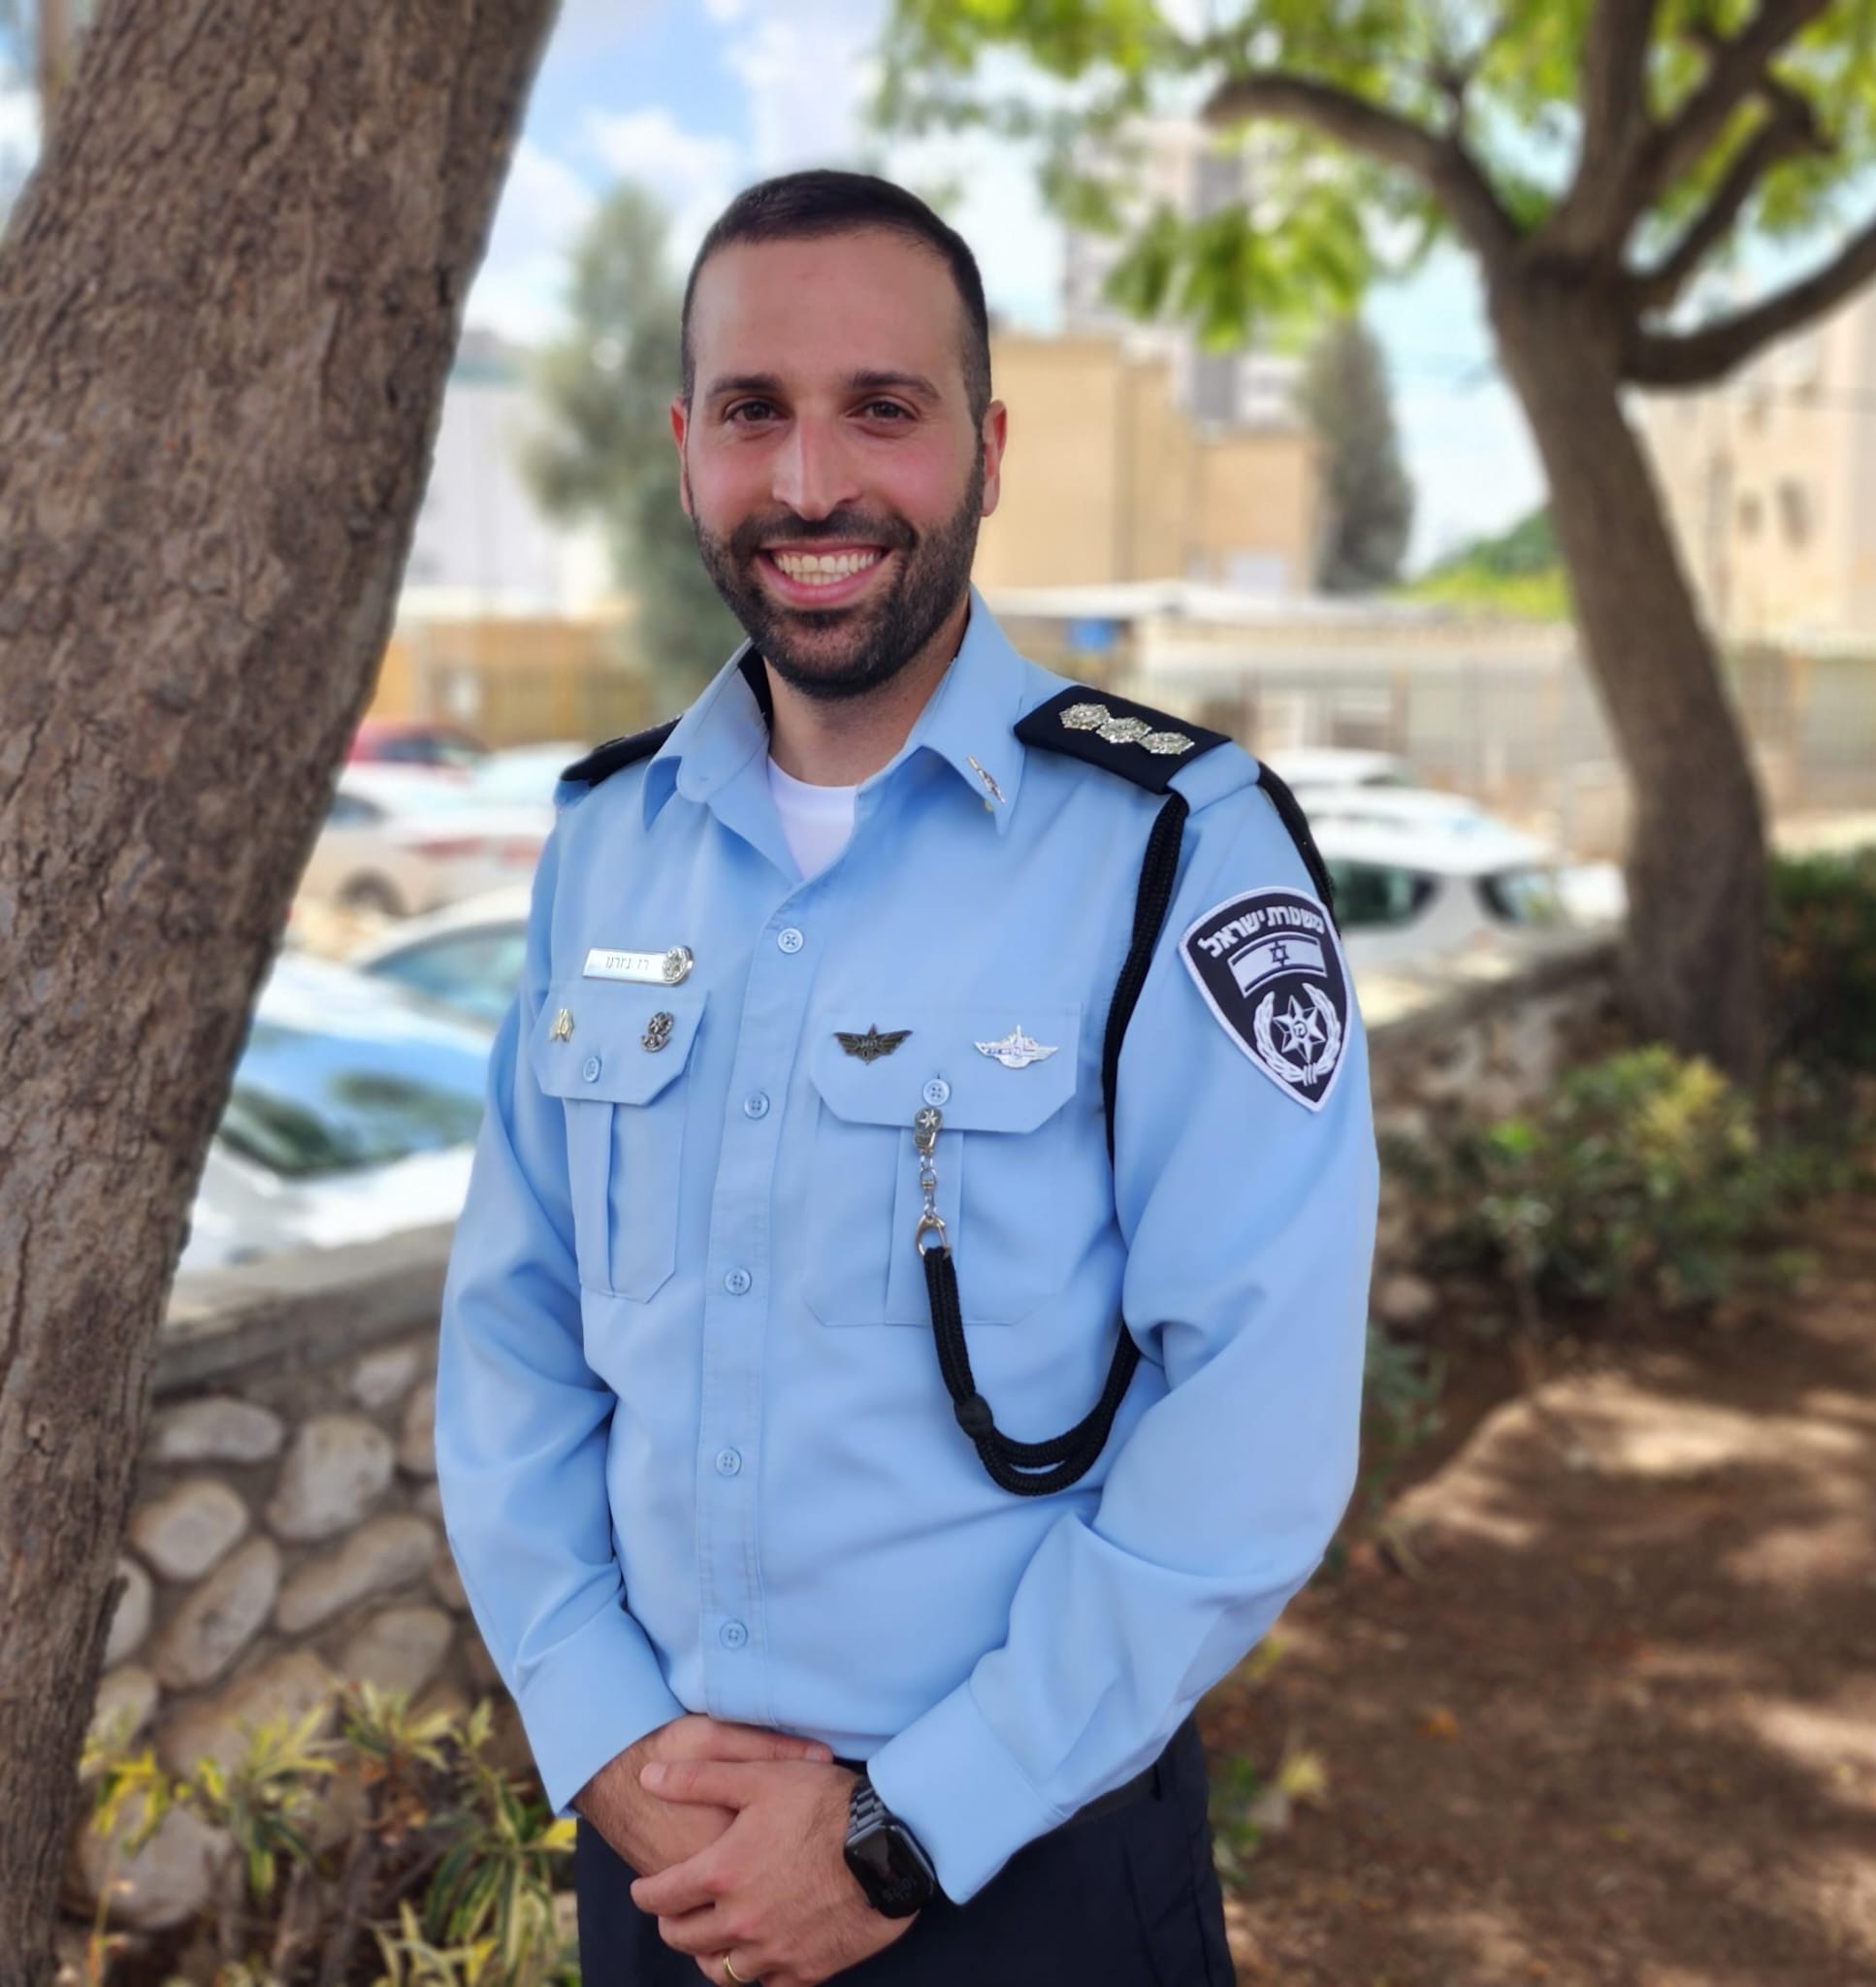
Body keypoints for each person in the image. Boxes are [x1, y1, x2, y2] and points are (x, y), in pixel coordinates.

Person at [436, 170, 1376, 1987]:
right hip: (664, 1868)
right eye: (751, 412)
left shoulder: (1176, 850)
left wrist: (903, 1830)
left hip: (1024, 1883)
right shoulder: (608, 843)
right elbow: (512, 1335)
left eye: (881, 407)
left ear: (987, 450)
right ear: (684, 451)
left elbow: (1251, 1420)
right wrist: (598, 1728)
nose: (810, 484)